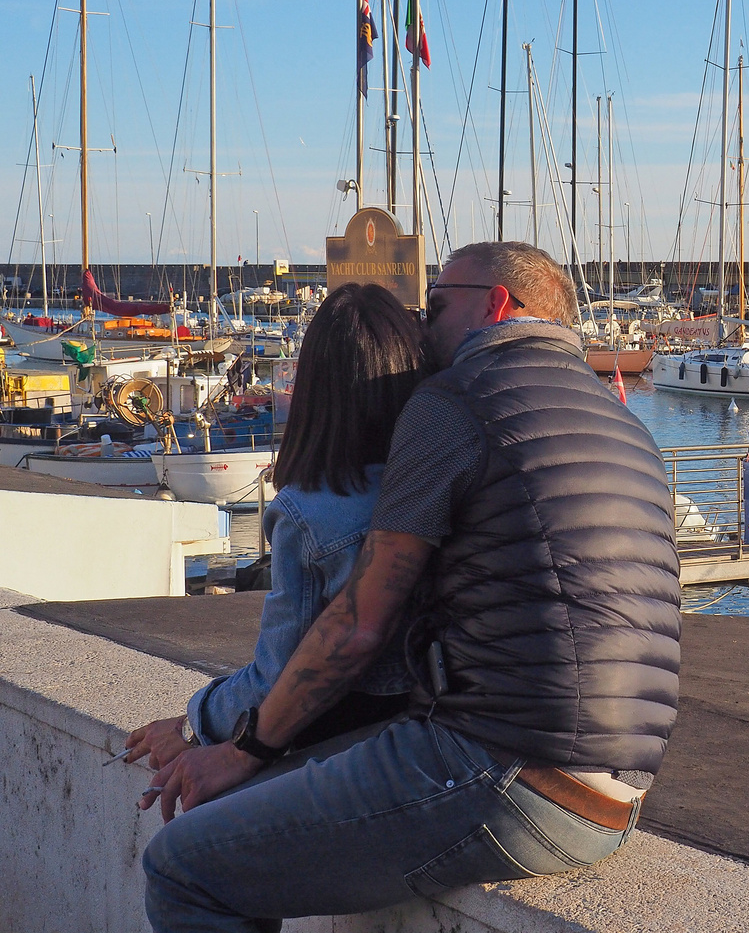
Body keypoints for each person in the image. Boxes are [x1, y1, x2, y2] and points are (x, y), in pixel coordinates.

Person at [139, 242, 682, 932]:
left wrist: (241, 750)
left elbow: (360, 622)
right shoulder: (623, 425)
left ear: (496, 303)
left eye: (439, 305)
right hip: (619, 796)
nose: (425, 327)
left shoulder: (456, 401)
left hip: (509, 777)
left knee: (184, 867)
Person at [122, 283, 425, 771]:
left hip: (347, 750)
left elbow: (280, 676)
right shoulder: (432, 485)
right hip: (430, 731)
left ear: (315, 389)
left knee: (177, 849)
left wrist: (192, 722)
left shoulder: (308, 513)